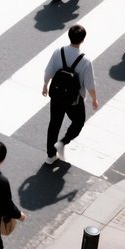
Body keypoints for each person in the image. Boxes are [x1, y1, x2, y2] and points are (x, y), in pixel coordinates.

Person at [42, 24, 98, 164]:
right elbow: (90, 84)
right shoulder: (84, 61)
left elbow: (49, 71)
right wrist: (94, 99)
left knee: (54, 124)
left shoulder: (58, 52)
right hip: (74, 99)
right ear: (82, 40)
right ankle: (63, 142)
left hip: (56, 95)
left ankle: (50, 155)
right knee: (78, 122)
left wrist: (45, 85)